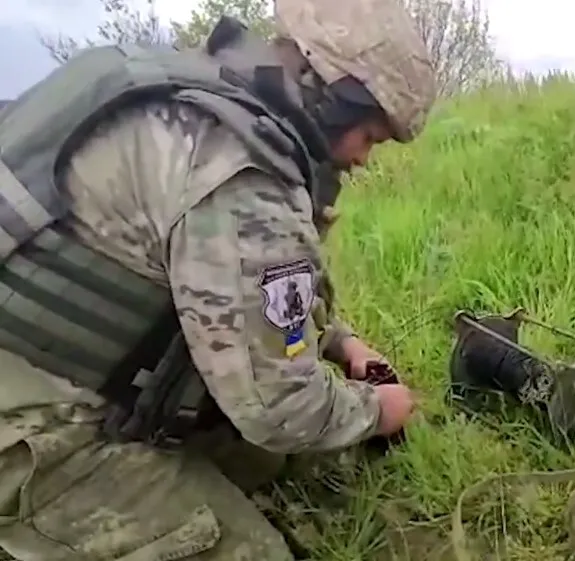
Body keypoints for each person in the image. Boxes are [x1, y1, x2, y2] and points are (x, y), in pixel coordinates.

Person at [0, 0, 436, 558]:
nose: (363, 159)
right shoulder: (242, 174)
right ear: (330, 96)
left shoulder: (180, 91)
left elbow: (241, 289)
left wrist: (338, 340)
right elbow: (279, 409)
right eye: (370, 136)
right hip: (31, 428)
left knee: (265, 461)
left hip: (42, 368)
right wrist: (379, 411)